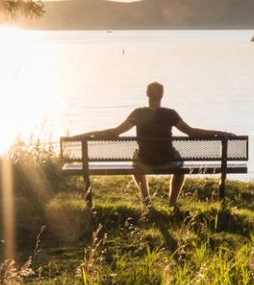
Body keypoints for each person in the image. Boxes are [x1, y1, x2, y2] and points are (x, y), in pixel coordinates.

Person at [75, 82, 233, 211]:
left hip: (145, 162)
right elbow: (191, 132)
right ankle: (172, 202)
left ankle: (146, 199)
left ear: (147, 94)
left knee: (135, 158)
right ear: (162, 95)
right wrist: (218, 132)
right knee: (180, 165)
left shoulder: (138, 113)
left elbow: (116, 132)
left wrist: (90, 133)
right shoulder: (170, 114)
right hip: (168, 160)